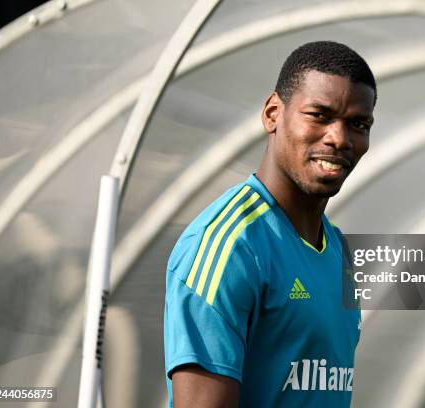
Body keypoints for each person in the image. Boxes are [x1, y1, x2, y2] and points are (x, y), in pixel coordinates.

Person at [164, 40, 377, 407]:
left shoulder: (338, 250)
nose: (339, 138)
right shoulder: (229, 245)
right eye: (320, 115)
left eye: (357, 124)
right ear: (272, 114)